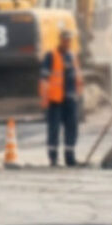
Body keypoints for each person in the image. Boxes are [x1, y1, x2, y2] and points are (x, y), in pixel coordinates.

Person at [44, 33, 81, 166]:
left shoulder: (72, 56)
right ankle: (53, 158)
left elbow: (77, 77)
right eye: (65, 40)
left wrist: (79, 96)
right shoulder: (51, 56)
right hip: (55, 100)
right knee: (54, 129)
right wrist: (45, 99)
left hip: (71, 99)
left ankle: (69, 157)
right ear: (60, 41)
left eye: (69, 41)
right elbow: (45, 79)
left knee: (72, 128)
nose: (67, 43)